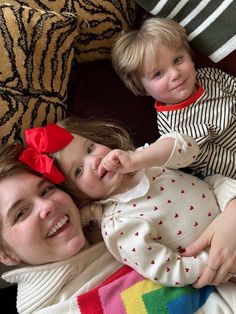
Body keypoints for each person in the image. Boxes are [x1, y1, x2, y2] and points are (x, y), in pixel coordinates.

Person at [2, 144, 236, 314]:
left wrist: (232, 212)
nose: (47, 205)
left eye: (46, 190)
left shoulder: (117, 206)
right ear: (6, 255)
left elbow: (201, 183)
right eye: (21, 213)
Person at [19, 118, 236, 290]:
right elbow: (167, 270)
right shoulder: (119, 224)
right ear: (77, 195)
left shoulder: (143, 160)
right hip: (223, 262)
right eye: (78, 170)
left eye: (90, 148)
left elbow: (189, 148)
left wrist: (139, 159)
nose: (93, 161)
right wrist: (214, 261)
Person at [111, 16, 236, 180]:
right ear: (143, 89)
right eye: (158, 74)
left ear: (190, 56)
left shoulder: (209, 76)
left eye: (177, 60)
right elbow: (212, 161)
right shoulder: (171, 128)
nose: (175, 74)